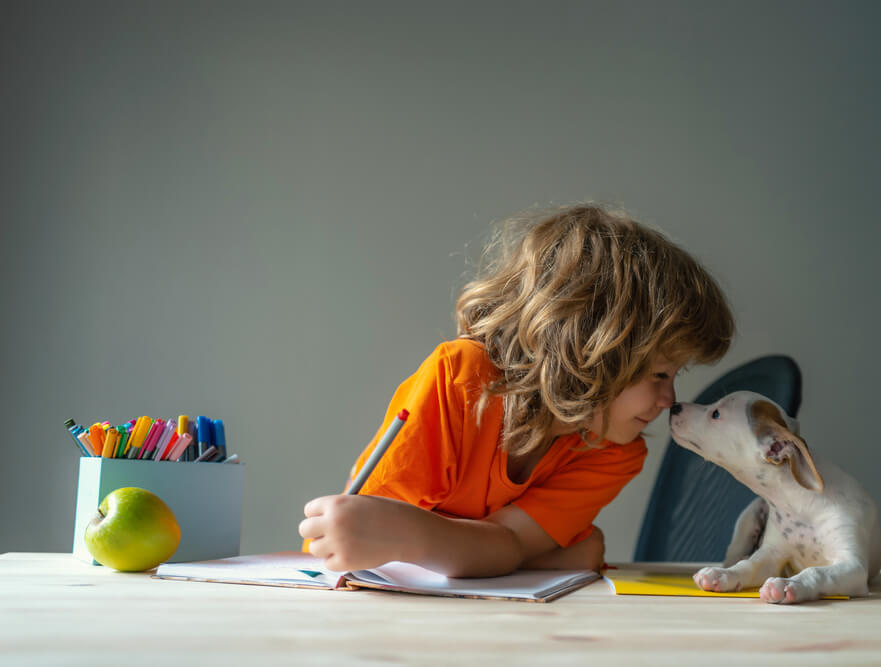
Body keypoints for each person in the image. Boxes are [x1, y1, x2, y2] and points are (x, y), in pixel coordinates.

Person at [298, 204, 734, 577]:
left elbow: (507, 543)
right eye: (659, 374)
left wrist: (421, 537)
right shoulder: (460, 380)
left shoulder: (613, 449)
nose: (670, 400)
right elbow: (354, 544)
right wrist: (523, 554)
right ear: (590, 349)